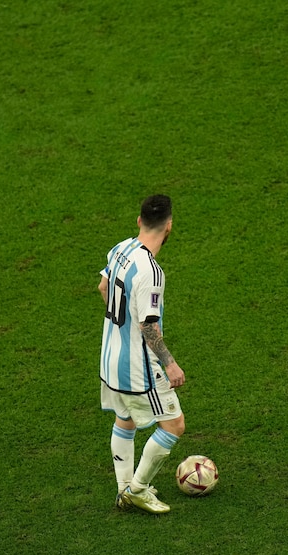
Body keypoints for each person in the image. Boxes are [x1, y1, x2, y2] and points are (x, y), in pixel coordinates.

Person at [98, 194, 186, 514]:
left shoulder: (120, 248)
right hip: (136, 368)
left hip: (109, 359)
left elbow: (103, 288)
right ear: (169, 227)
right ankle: (136, 490)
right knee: (174, 425)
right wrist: (171, 364)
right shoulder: (151, 272)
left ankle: (124, 489)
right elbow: (149, 327)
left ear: (139, 222)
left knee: (126, 418)